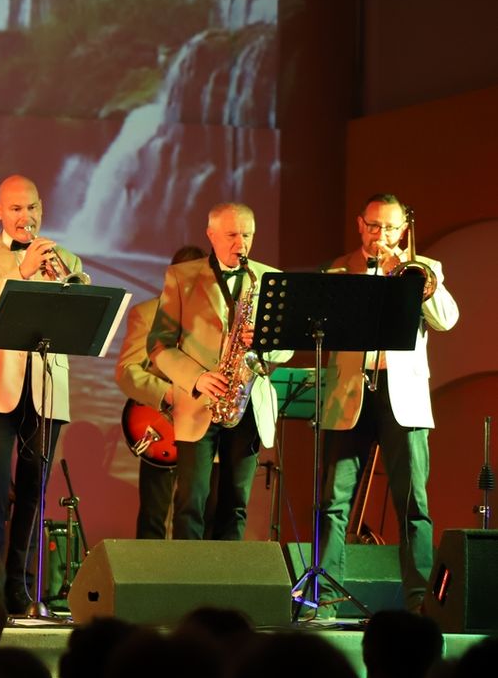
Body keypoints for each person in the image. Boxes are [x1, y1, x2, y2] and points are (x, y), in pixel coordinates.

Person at [317, 194, 458, 611]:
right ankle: (325, 599)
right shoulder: (338, 269)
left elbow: (447, 320)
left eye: (391, 228)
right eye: (374, 226)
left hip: (404, 398)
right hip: (350, 395)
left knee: (413, 504)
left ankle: (420, 603)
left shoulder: (425, 268)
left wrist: (409, 278)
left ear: (404, 230)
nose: (381, 235)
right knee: (333, 502)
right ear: (360, 225)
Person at [0, 174, 86, 613]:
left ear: (41, 209)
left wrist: (71, 287)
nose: (25, 217)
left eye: (31, 208)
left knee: (35, 491)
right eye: (15, 209)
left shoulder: (66, 258)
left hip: (47, 385)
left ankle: (21, 587)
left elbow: (81, 319)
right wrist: (21, 271)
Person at [148, 203, 293, 541]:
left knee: (236, 503)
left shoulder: (270, 278)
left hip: (247, 402)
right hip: (198, 402)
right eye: (232, 235)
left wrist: (265, 343)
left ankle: (229, 574)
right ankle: (187, 574)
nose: (241, 244)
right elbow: (158, 345)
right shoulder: (181, 276)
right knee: (190, 502)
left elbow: (285, 350)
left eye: (247, 235)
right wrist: (197, 378)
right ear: (211, 235)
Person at [114, 244, 205, 539]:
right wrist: (167, 394)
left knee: (200, 511)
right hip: (161, 425)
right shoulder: (148, 313)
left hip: (205, 425)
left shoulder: (216, 318)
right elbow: (127, 371)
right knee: (154, 515)